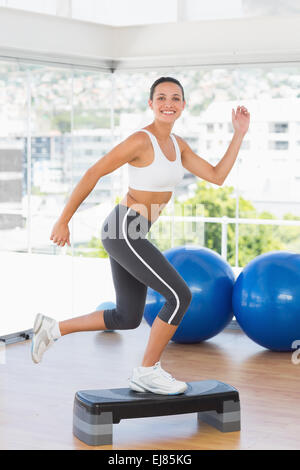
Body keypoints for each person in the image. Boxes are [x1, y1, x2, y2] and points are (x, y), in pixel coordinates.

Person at [31, 76, 250, 395]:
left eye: (175, 98)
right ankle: (147, 371)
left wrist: (239, 134)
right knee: (180, 296)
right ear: (151, 104)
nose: (168, 103)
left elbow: (216, 176)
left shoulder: (179, 146)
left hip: (132, 231)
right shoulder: (140, 141)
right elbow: (94, 172)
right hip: (122, 230)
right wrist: (63, 220)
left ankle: (52, 328)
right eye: (161, 97)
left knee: (127, 316)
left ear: (183, 105)